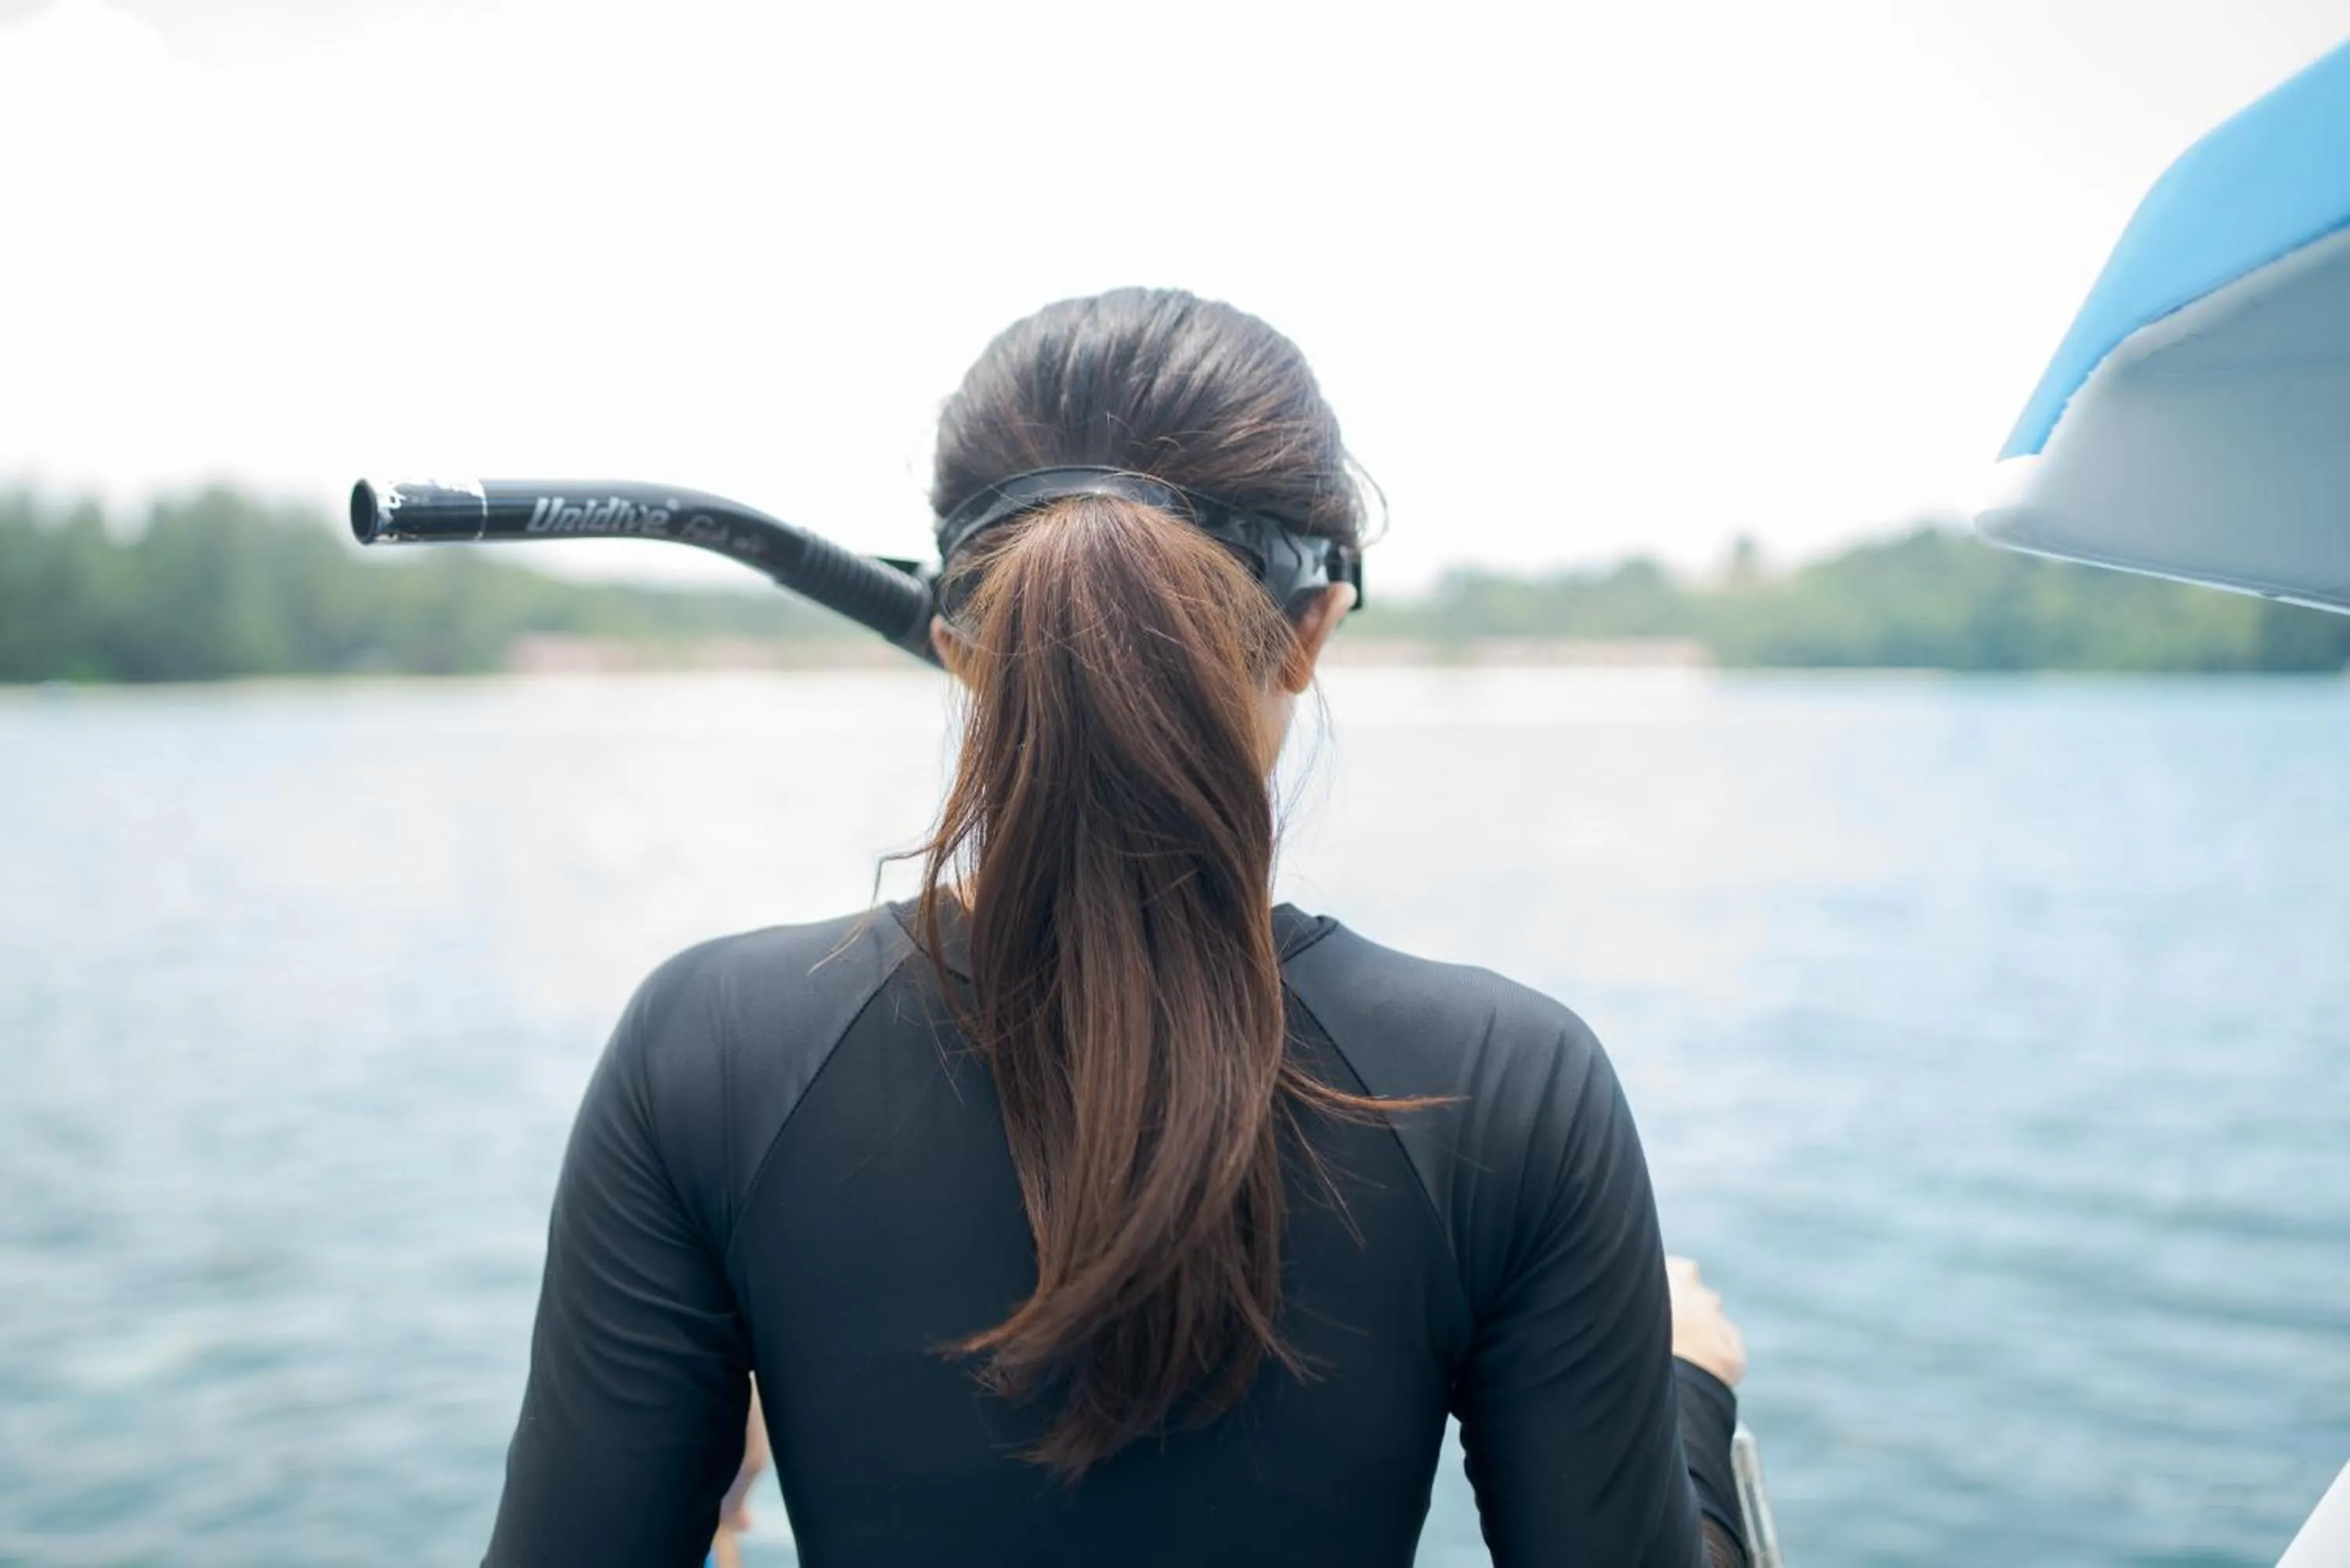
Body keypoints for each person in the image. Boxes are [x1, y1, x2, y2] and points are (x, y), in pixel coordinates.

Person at [484, 287, 1752, 1568]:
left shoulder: (708, 1055)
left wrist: (748, 1366)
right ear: (1313, 627)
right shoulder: (1507, 1085)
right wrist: (1683, 1391)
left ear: (961, 642)